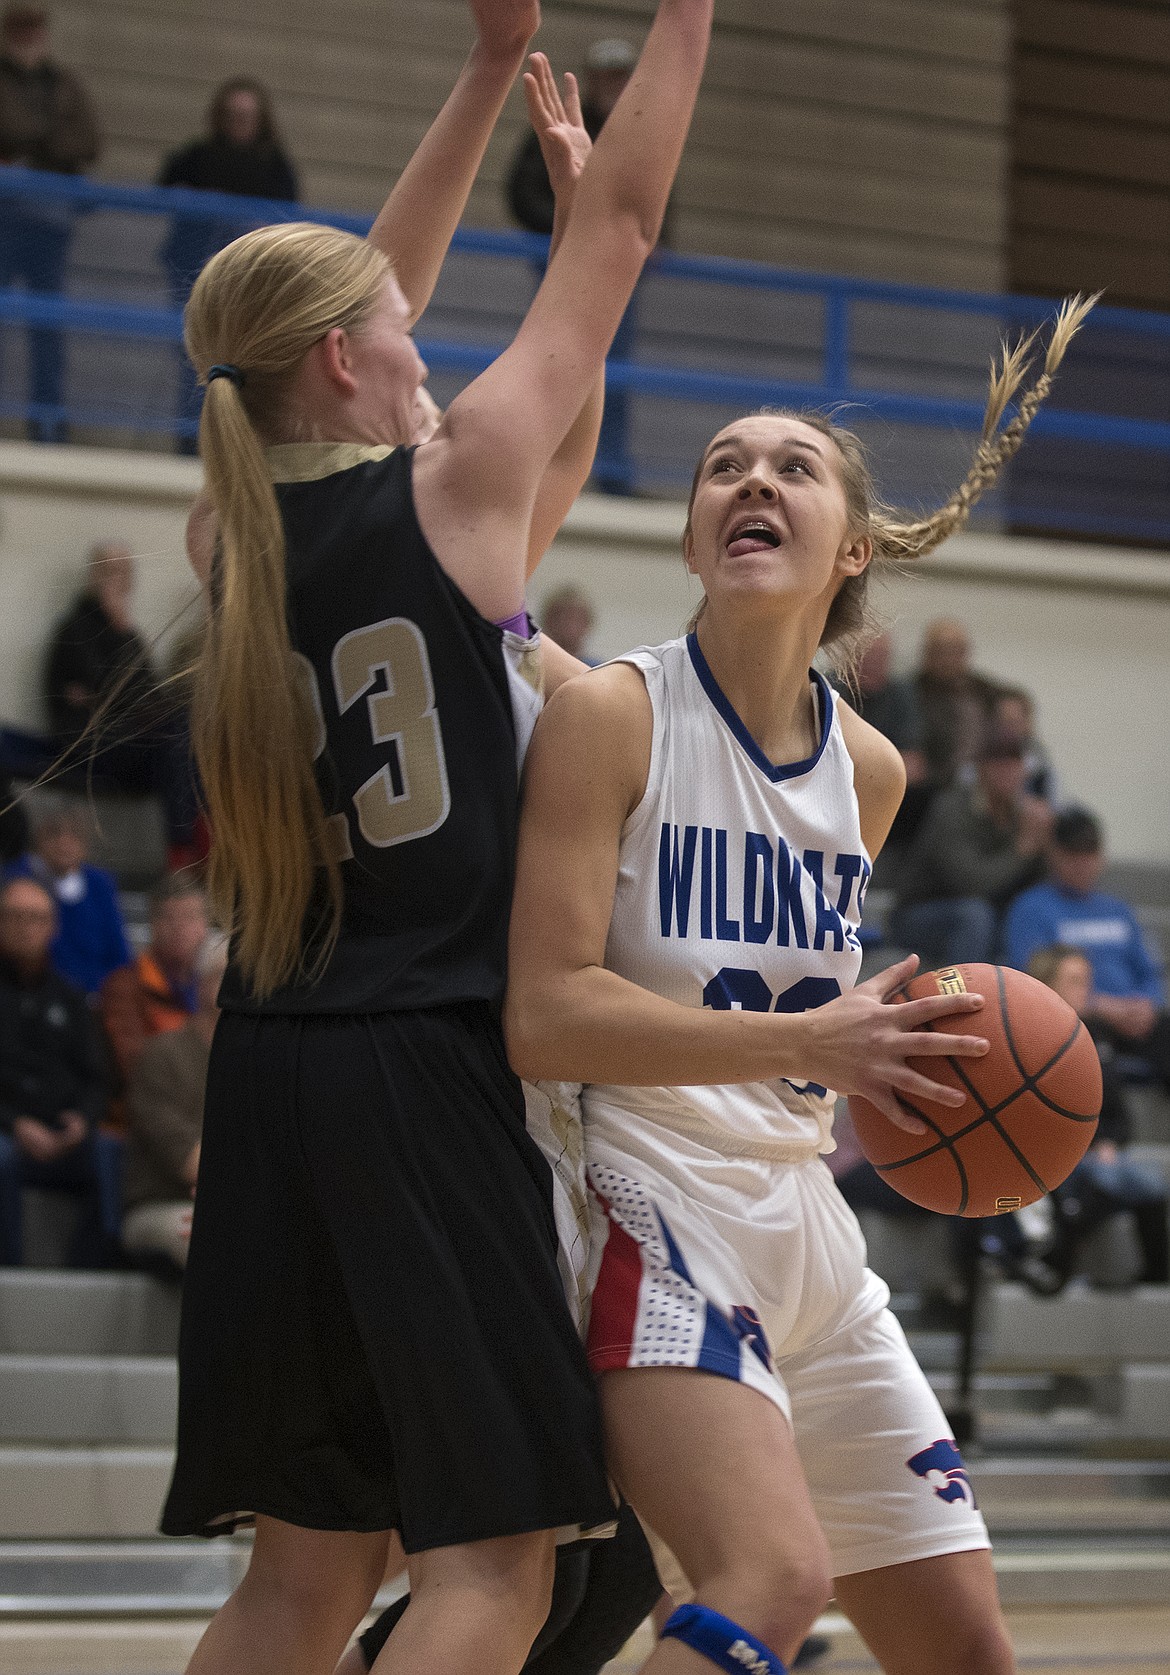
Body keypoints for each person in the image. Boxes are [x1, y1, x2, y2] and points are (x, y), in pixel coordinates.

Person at [162, 5, 713, 1675]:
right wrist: (683, 19)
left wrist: (483, 74)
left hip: (269, 1069)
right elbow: (617, 228)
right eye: (399, 323)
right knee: (495, 1568)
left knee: (303, 1578)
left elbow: (349, 310)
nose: (422, 334)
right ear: (343, 360)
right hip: (424, 1064)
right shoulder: (453, 486)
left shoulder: (227, 535)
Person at [505, 297, 1095, 1674]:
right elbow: (541, 1010)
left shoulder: (872, 770)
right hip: (649, 1195)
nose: (751, 478)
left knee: (965, 1647)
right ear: (697, 531)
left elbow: (817, 1049)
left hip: (808, 1217)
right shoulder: (614, 715)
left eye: (791, 465)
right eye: (722, 463)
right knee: (768, 1576)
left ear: (851, 546)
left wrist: (865, 1062)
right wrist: (809, 1036)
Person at [507, 35, 646, 495]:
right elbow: (522, 191)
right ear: (591, 79)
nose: (615, 83)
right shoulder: (560, 124)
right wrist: (572, 222)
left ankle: (607, 473)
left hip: (616, 272)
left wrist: (653, 238)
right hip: (561, 267)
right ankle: (546, 462)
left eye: (622, 74)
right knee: (553, 360)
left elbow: (652, 195)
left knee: (611, 371)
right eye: (608, 74)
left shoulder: (639, 129)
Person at [157, 78, 299, 446]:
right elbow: (166, 190)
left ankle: (235, 446)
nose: (240, 123)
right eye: (234, 116)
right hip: (194, 273)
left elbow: (286, 222)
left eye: (247, 117)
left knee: (245, 366)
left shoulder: (274, 166)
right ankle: (189, 442)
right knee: (193, 360)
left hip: (249, 284)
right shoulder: (196, 157)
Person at [42, 541, 200, 863]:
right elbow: (117, 692)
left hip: (126, 740)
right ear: (93, 578)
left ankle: (196, 845)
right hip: (87, 745)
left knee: (186, 732)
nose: (119, 579)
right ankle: (184, 852)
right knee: (176, 737)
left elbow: (148, 695)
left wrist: (122, 633)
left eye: (125, 571)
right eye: (111, 571)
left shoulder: (128, 633)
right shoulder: (74, 629)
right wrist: (120, 629)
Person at [1029, 946, 1168, 1288]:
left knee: (1153, 1187)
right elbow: (1035, 1117)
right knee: (1104, 1182)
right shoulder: (1027, 1039)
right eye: (1075, 981)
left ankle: (1157, 1278)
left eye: (1087, 981)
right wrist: (1088, 1147)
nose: (1085, 990)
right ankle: (1054, 1260)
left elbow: (1119, 1114)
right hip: (1056, 1153)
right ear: (1047, 984)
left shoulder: (1099, 1035)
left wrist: (1107, 1142)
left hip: (1101, 1151)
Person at [1004, 807, 1170, 1090]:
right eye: (1074, 854)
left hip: (1134, 1018)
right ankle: (1106, 1133)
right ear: (1054, 853)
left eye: (1090, 853)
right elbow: (1031, 983)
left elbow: (1149, 971)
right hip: (1077, 1019)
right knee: (1090, 1040)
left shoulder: (1118, 910)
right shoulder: (1030, 909)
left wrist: (1145, 1004)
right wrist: (1102, 1007)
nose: (1083, 863)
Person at [0, 874, 116, 1266]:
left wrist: (82, 1120)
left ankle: (85, 1278)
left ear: (52, 927)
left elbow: (97, 1077)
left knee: (111, 1158)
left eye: (35, 918)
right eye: (13, 916)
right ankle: (10, 1281)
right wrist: (15, 1124)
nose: (25, 927)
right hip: (6, 1132)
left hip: (63, 1134)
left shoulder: (71, 996)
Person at [0, 1, 100, 441]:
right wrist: (48, 145)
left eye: (34, 30)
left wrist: (31, 148)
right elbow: (16, 128)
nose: (29, 39)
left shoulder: (64, 83)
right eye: (21, 31)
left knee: (48, 327)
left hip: (49, 220)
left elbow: (87, 140)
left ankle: (49, 421)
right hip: (7, 215)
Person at [888, 727, 1051, 969]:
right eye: (999, 764)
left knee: (1036, 911)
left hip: (989, 913)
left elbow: (1038, 884)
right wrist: (1022, 849)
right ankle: (965, 998)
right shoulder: (952, 809)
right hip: (920, 913)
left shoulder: (1024, 814)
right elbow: (972, 884)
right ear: (981, 768)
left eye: (1015, 764)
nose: (1008, 772)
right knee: (975, 915)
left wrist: (1045, 841)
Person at [121, 934, 225, 1272]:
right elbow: (188, 1160)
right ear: (205, 982)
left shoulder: (259, 1063)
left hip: (231, 1201)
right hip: (160, 1203)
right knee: (212, 1236)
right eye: (232, 975)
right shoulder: (161, 1055)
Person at [5, 805, 130, 997]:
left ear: (86, 843)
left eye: (74, 834)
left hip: (93, 997)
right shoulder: (16, 879)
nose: (64, 841)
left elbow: (118, 954)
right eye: (54, 833)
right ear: (38, 837)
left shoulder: (100, 885)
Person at [100, 875, 209, 1090]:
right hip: (157, 1103)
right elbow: (134, 1065)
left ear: (205, 925)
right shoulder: (126, 986)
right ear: (152, 924)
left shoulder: (215, 986)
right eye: (169, 917)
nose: (179, 927)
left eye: (189, 916)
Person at [909, 618, 997, 790]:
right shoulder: (910, 692)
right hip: (927, 786)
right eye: (940, 651)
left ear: (966, 653)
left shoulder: (985, 691)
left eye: (954, 651)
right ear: (927, 653)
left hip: (980, 785)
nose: (947, 659)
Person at [540, 583, 598, 664]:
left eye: (578, 619)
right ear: (548, 621)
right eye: (563, 617)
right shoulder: (529, 667)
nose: (570, 626)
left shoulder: (599, 670)